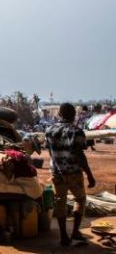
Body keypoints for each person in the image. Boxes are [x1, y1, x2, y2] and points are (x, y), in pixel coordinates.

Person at [45, 103, 96, 247]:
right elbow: (80, 155)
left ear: (59, 114)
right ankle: (75, 232)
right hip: (73, 172)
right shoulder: (76, 131)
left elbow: (50, 152)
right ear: (73, 115)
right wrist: (90, 175)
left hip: (56, 172)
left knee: (60, 202)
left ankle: (64, 237)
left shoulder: (49, 130)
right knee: (80, 200)